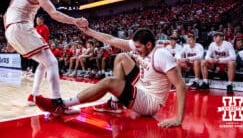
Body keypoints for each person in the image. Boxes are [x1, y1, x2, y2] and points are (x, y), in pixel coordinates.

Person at [35, 28, 187, 128]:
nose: (137, 50)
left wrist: (178, 119)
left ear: (149, 45)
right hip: (142, 86)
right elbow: (111, 40)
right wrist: (87, 30)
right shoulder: (141, 47)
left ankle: (62, 104)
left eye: (139, 48)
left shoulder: (162, 55)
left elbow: (180, 85)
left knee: (109, 82)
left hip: (151, 102)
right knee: (121, 57)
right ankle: (115, 104)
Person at [3, 0, 88, 110]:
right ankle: (57, 103)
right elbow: (54, 13)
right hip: (22, 27)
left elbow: (5, 15)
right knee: (53, 63)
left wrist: (9, 39)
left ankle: (33, 95)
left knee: (44, 63)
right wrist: (75, 21)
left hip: (11, 29)